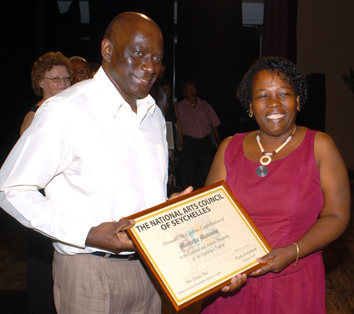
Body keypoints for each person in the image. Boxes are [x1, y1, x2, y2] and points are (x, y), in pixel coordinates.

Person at [0, 12, 191, 314]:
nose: (151, 66)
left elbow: (134, 193)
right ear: (107, 50)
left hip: (149, 269)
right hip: (90, 272)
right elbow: (10, 188)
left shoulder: (153, 114)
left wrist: (168, 207)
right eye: (139, 53)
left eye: (157, 57)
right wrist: (86, 233)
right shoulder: (67, 110)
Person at [200, 56, 351, 314]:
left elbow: (336, 216)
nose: (273, 103)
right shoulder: (228, 148)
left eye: (284, 93)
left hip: (292, 283)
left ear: (298, 101)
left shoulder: (320, 146)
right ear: (250, 106)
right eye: (262, 95)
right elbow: (208, 217)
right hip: (234, 284)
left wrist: (292, 252)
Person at [177, 82, 221, 190]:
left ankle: (204, 192)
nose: (191, 91)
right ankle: (189, 194)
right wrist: (180, 143)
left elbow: (214, 123)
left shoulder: (204, 104)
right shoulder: (179, 107)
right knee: (189, 171)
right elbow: (177, 126)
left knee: (206, 169)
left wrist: (217, 141)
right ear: (184, 93)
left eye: (193, 88)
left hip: (205, 141)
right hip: (189, 142)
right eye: (188, 89)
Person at [20, 51, 73, 136]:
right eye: (56, 78)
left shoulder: (69, 107)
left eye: (66, 78)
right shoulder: (34, 116)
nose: (63, 82)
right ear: (41, 82)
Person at [161, 81, 183, 195]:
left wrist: (180, 140)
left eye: (169, 90)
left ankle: (172, 188)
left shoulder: (173, 104)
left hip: (171, 136)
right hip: (161, 136)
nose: (167, 92)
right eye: (165, 89)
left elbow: (177, 122)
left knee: (172, 165)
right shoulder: (157, 102)